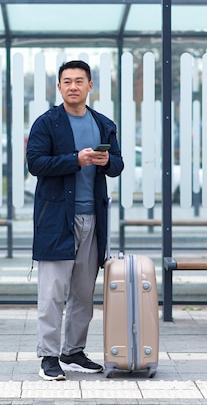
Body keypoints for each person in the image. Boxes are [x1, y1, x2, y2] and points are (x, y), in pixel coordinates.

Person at [26, 60, 124, 381]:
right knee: (53, 292)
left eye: (79, 81)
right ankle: (49, 356)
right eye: (66, 81)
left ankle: (73, 350)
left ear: (90, 86)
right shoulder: (47, 123)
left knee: (83, 292)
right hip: (56, 220)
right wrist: (75, 160)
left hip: (92, 219)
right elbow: (36, 163)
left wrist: (107, 159)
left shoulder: (103, 124)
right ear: (59, 87)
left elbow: (118, 165)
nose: (72, 86)